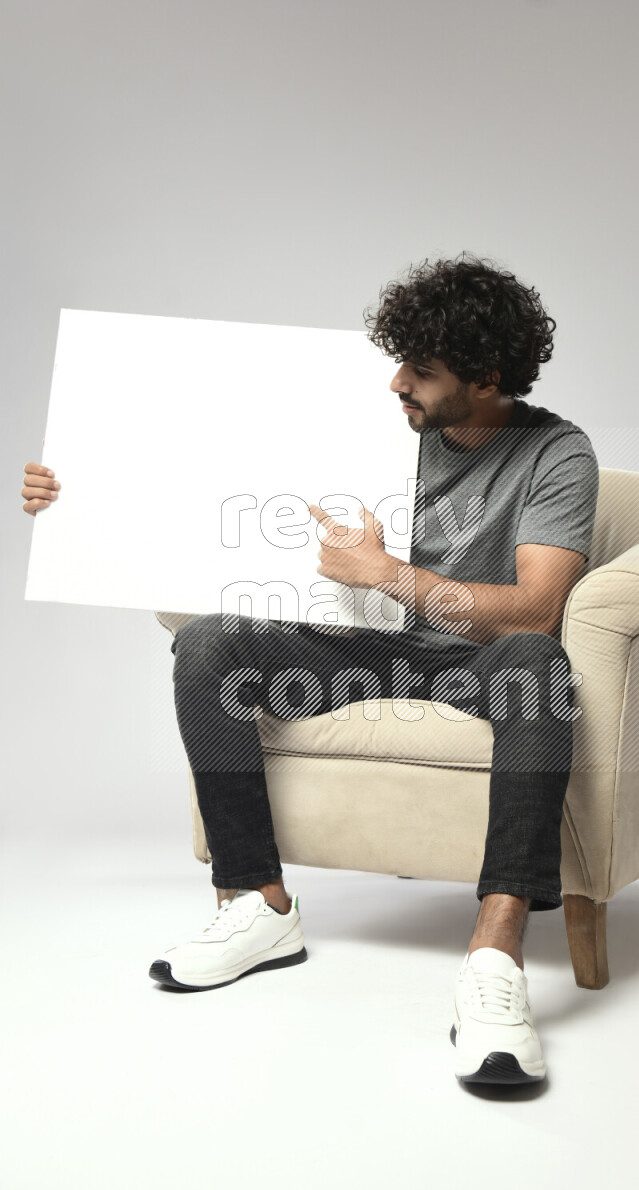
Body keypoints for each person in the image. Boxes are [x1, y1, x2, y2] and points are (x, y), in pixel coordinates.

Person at [21, 252, 599, 1087]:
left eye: (423, 372)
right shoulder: (355, 425)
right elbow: (188, 491)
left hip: (476, 663)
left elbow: (537, 607)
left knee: (538, 664)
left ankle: (494, 959)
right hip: (357, 650)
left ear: (486, 379)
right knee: (211, 644)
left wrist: (388, 575)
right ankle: (257, 902)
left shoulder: (556, 452)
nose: (397, 383)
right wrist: (80, 498)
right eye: (398, 360)